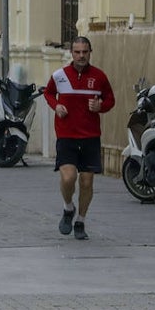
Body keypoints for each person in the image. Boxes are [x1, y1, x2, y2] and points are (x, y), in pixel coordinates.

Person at [43, 35, 115, 241]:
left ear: (90, 52)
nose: (81, 56)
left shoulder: (99, 77)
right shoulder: (59, 76)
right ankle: (68, 208)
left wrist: (101, 106)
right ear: (71, 53)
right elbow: (48, 93)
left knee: (86, 181)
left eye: (85, 52)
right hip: (66, 136)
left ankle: (81, 221)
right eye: (77, 52)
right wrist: (56, 106)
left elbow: (110, 99)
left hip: (91, 136)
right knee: (68, 177)